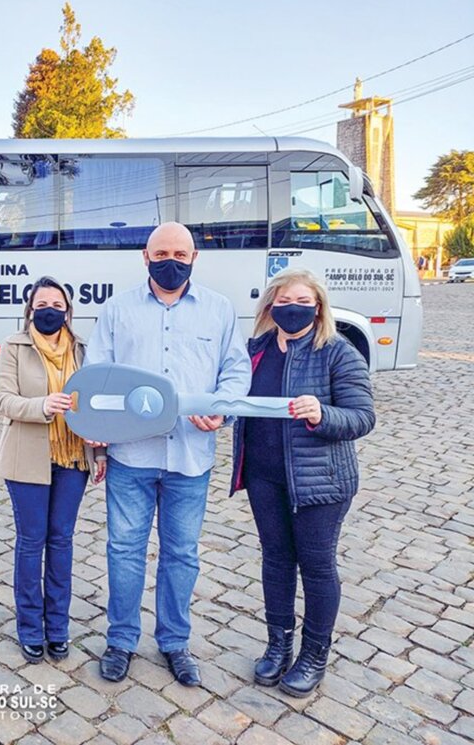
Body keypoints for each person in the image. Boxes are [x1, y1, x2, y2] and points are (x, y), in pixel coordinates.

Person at [87, 222, 251, 686]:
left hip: (191, 458)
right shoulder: (117, 310)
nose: (171, 260)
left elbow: (236, 373)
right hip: (131, 457)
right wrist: (96, 440)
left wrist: (222, 413)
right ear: (145, 257)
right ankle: (120, 641)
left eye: (181, 253)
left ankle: (175, 642)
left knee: (182, 554)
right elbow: (96, 375)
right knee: (124, 551)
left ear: (195, 258)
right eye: (162, 252)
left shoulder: (219, 311)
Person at [231, 269, 374, 697]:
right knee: (275, 560)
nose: (292, 307)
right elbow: (236, 398)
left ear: (317, 307)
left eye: (302, 301)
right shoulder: (255, 349)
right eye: (283, 299)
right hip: (264, 475)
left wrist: (322, 413)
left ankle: (314, 654)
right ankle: (278, 644)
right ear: (270, 305)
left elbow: (362, 416)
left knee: (315, 565)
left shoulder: (336, 351)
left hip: (320, 482)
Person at [0, 275, 106, 663]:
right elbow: (3, 400)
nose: (49, 312)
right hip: (27, 458)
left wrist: (101, 451)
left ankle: (58, 628)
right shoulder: (14, 347)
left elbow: (94, 405)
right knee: (31, 541)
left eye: (56, 306)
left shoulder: (83, 350)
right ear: (29, 311)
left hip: (73, 458)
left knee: (61, 541)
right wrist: (41, 406)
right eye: (41, 306)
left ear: (68, 310)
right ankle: (29, 628)